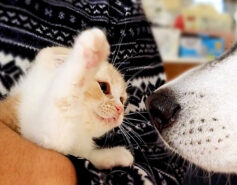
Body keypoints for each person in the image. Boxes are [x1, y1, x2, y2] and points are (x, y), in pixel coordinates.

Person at [0, 0, 185, 184]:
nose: (120, 108)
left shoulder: (126, 14)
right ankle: (71, 83)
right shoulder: (27, 102)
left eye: (122, 100)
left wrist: (92, 159)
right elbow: (48, 139)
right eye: (104, 88)